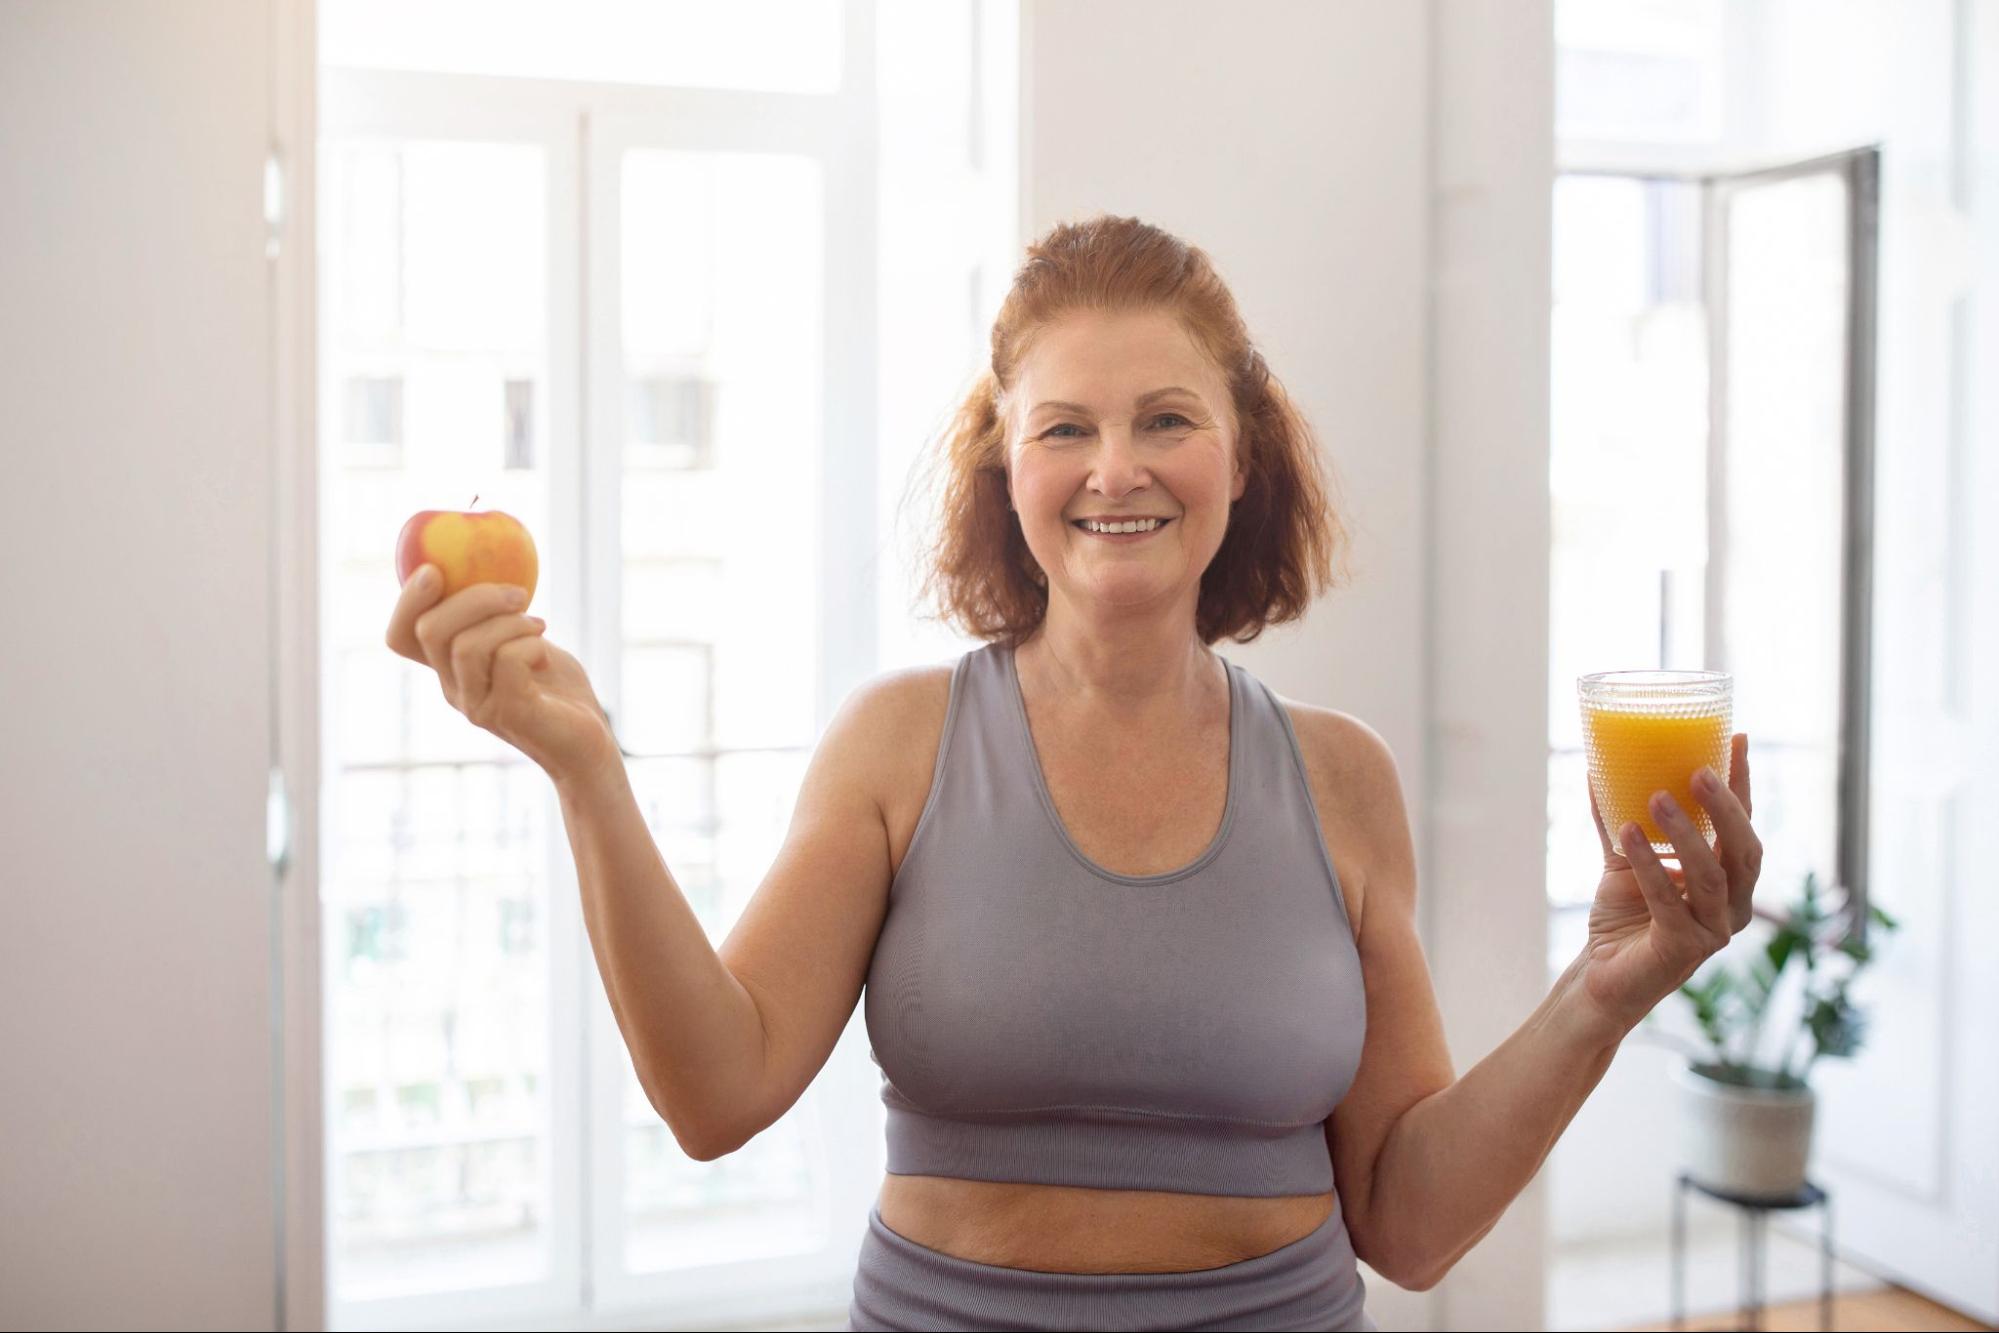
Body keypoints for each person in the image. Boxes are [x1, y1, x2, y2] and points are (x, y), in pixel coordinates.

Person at [385, 215, 1765, 1332]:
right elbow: (715, 1089)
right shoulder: (899, 743)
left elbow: (1405, 1219)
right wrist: (586, 773)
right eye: (1065, 428)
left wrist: (1603, 993)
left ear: (1240, 455)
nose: (1117, 469)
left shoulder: (1342, 778)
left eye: (1167, 418)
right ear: (1006, 464)